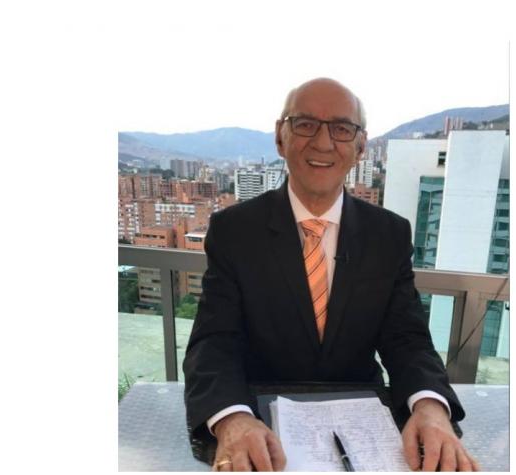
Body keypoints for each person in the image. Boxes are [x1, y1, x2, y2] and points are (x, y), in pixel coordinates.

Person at [183, 77, 480, 472]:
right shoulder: (235, 231)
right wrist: (232, 418)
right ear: (280, 137)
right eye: (305, 124)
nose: (323, 143)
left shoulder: (388, 234)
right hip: (261, 422)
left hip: (365, 424)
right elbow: (214, 342)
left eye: (341, 128)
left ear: (360, 147)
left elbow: (407, 339)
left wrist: (430, 407)